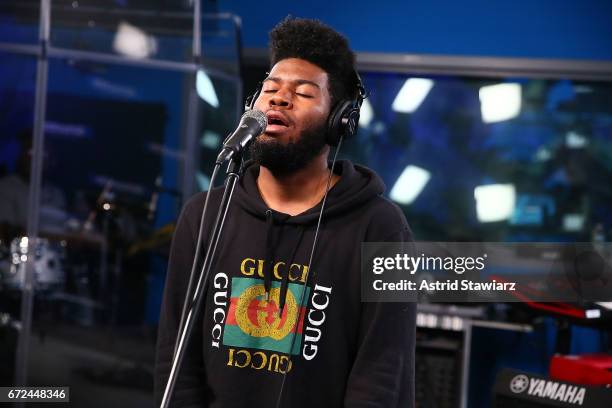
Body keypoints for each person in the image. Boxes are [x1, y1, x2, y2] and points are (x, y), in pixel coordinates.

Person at [155, 17, 416, 408]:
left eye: (304, 93)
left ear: (338, 122)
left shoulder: (380, 226)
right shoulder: (204, 214)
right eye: (270, 89)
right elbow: (176, 358)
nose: (278, 98)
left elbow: (381, 370)